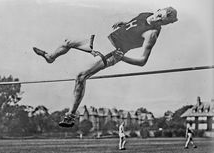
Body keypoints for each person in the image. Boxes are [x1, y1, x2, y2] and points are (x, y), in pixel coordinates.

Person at [33, 7, 178, 127]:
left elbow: (142, 61)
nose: (157, 20)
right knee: (67, 42)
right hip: (105, 39)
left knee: (80, 76)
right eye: (159, 15)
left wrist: (122, 58)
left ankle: (70, 115)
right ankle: (50, 57)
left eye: (162, 21)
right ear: (158, 10)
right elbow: (134, 25)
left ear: (165, 24)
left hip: (113, 51)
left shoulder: (152, 34)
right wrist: (124, 23)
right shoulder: (146, 14)